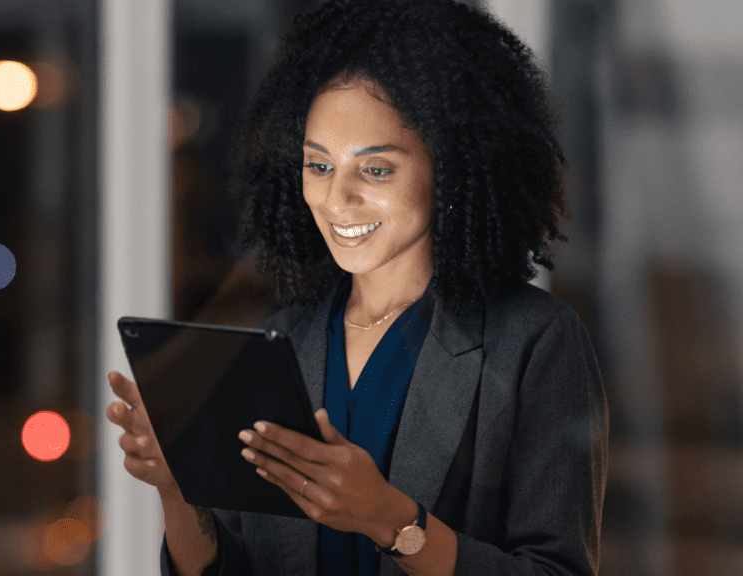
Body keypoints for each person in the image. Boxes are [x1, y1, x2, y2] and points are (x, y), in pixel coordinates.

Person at [106, 0, 609, 574]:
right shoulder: (283, 340)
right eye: (318, 166)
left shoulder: (535, 342)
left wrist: (391, 521)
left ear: (449, 168)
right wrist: (178, 489)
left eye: (376, 169)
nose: (337, 198)